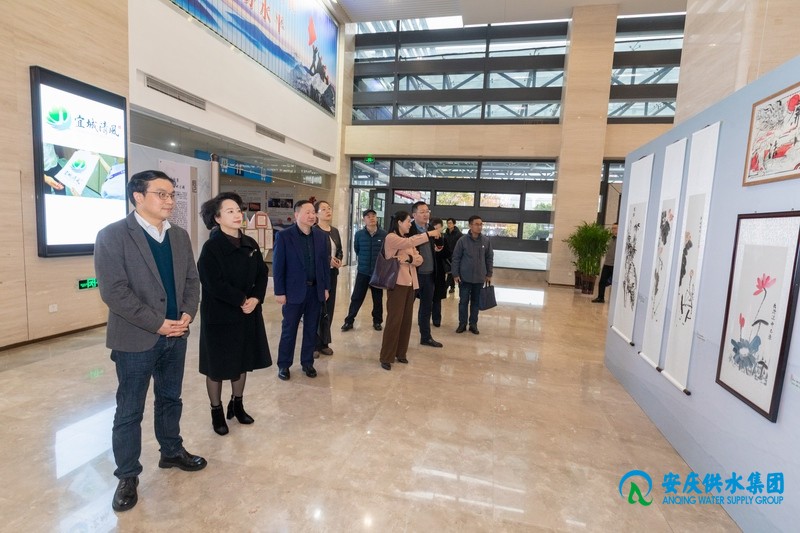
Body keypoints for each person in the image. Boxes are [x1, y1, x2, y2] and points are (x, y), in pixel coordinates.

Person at [94, 170, 205, 513]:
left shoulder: (179, 236)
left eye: (172, 194)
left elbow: (192, 281)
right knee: (130, 410)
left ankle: (171, 451)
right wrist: (157, 324)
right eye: (162, 194)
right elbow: (114, 292)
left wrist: (187, 314)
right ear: (138, 197)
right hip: (135, 338)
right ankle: (127, 475)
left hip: (177, 334)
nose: (170, 201)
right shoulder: (113, 235)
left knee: (171, 399)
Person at [197, 192, 271, 436]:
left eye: (238, 210)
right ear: (217, 218)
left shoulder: (250, 243)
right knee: (217, 366)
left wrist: (256, 298)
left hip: (247, 312)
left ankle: (237, 404)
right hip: (220, 315)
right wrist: (241, 299)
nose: (238, 214)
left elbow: (262, 274)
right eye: (230, 211)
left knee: (242, 361)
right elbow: (212, 282)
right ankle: (216, 411)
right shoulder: (211, 247)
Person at [273, 200, 330, 381]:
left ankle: (307, 363)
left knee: (311, 329)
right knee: (289, 329)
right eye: (307, 212)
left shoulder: (321, 236)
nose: (312, 215)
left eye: (313, 212)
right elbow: (278, 266)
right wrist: (279, 291)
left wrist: (326, 287)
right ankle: (284, 365)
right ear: (296, 215)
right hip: (293, 292)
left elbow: (324, 265)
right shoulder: (284, 236)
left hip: (315, 291)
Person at [379, 211, 441, 370]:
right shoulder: (391, 238)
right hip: (397, 284)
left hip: (411, 284)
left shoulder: (407, 240)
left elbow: (419, 259)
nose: (409, 224)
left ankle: (401, 353)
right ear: (399, 222)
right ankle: (386, 356)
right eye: (408, 221)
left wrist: (409, 259)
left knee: (406, 321)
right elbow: (409, 243)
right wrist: (429, 234)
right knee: (394, 321)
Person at [341, 208, 387, 332]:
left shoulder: (384, 234)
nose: (371, 218)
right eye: (368, 216)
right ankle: (349, 321)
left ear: (376, 218)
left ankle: (377, 321)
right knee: (356, 297)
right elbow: (357, 249)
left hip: (377, 272)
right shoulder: (359, 234)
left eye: (373, 216)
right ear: (364, 219)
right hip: (363, 271)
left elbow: (385, 252)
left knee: (377, 299)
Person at [408, 201, 446, 347]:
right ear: (414, 214)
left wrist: (439, 239)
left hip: (429, 274)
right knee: (406, 307)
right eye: (422, 212)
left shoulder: (430, 228)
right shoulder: (409, 229)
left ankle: (426, 337)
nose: (426, 214)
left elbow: (439, 246)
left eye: (427, 211)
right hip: (413, 275)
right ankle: (400, 336)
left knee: (426, 308)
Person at [451, 215, 494, 334]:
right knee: (463, 302)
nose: (479, 226)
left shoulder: (486, 241)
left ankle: (473, 324)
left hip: (479, 278)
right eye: (476, 224)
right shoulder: (462, 241)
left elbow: (489, 258)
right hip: (464, 278)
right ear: (470, 225)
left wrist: (489, 273)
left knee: (475, 302)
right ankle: (462, 324)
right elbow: (456, 258)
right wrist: (455, 274)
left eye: (481, 224)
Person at [314, 200, 342, 357]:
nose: (327, 211)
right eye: (323, 209)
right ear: (317, 214)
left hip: (332, 274)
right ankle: (313, 344)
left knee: (329, 309)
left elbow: (339, 250)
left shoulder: (335, 231)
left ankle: (324, 342)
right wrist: (328, 259)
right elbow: (314, 254)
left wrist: (339, 259)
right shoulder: (314, 231)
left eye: (329, 208)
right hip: (318, 275)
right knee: (317, 309)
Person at [429, 217, 450, 322]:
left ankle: (436, 319)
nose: (437, 230)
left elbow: (448, 254)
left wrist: (440, 251)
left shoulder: (444, 239)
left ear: (442, 228)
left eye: (438, 228)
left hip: (440, 271)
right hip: (428, 271)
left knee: (437, 298)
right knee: (427, 297)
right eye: (434, 228)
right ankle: (424, 319)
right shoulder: (427, 238)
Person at [592, 223, 618, 304]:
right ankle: (600, 297)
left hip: (615, 265)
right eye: (612, 228)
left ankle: (615, 301)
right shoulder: (610, 239)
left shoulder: (621, 240)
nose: (613, 230)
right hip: (607, 263)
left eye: (615, 228)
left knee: (614, 283)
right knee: (602, 281)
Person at [444, 218, 463, 293]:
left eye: (450, 223)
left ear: (454, 224)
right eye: (448, 223)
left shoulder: (459, 234)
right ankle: (452, 287)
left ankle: (445, 287)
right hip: (447, 256)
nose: (449, 224)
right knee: (450, 271)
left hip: (455, 256)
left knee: (451, 272)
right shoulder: (445, 234)